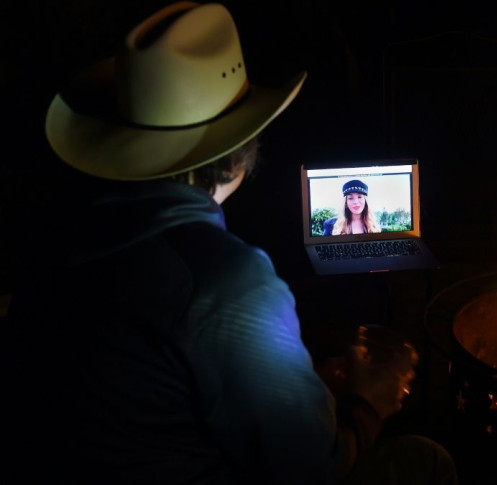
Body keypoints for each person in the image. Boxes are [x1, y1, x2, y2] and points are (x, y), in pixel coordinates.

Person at [4, 2, 458, 485]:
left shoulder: (58, 241)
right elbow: (312, 467)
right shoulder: (225, 279)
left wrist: (302, 386)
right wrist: (367, 403)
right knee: (426, 459)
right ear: (241, 148)